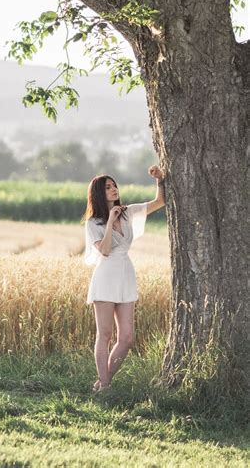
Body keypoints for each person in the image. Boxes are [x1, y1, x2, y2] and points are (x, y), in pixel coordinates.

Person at [83, 165, 165, 393]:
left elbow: (159, 202)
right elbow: (105, 251)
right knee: (105, 334)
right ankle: (106, 386)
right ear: (99, 193)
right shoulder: (93, 224)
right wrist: (110, 221)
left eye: (114, 185)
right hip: (105, 277)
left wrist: (159, 179)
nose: (113, 189)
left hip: (126, 275)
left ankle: (103, 381)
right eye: (108, 187)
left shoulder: (129, 212)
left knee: (127, 337)